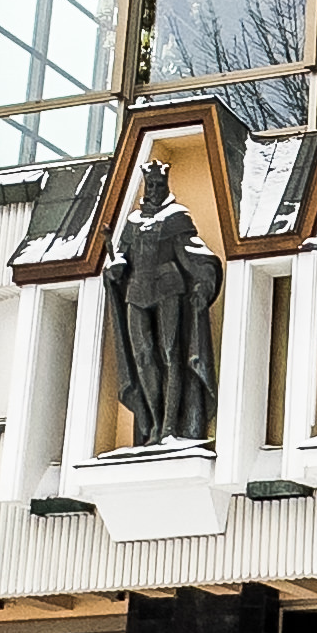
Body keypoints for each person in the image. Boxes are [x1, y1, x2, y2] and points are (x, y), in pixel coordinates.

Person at [96, 156, 222, 444]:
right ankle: (153, 423)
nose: (153, 190)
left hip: (168, 287)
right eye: (150, 185)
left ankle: (169, 427)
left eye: (158, 184)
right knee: (143, 357)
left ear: (165, 185)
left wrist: (204, 283)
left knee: (169, 354)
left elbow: (194, 254)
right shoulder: (133, 221)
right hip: (137, 291)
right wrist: (115, 269)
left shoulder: (176, 217)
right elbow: (122, 259)